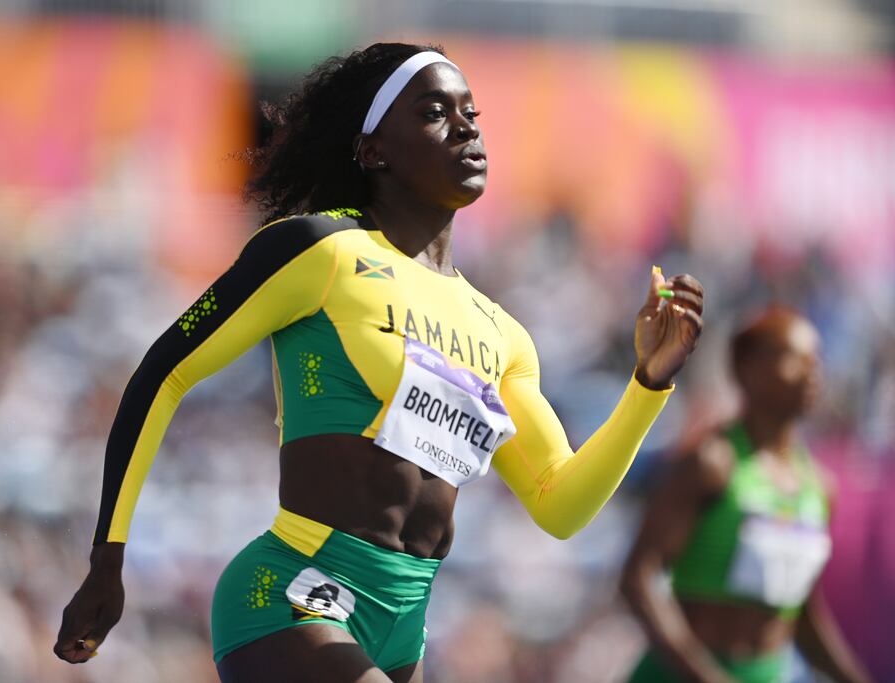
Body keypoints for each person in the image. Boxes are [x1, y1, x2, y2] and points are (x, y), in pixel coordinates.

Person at [54, 42, 704, 683]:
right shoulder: (321, 249)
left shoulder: (501, 332)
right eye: (433, 111)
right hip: (293, 594)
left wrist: (649, 382)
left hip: (403, 630)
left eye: (471, 113)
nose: (465, 127)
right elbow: (163, 372)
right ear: (373, 150)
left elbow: (560, 504)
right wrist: (107, 557)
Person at [620, 307, 873, 683]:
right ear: (745, 369)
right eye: (793, 358)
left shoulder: (818, 487)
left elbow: (800, 611)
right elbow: (638, 578)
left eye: (815, 360)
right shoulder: (712, 465)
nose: (812, 372)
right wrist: (705, 675)